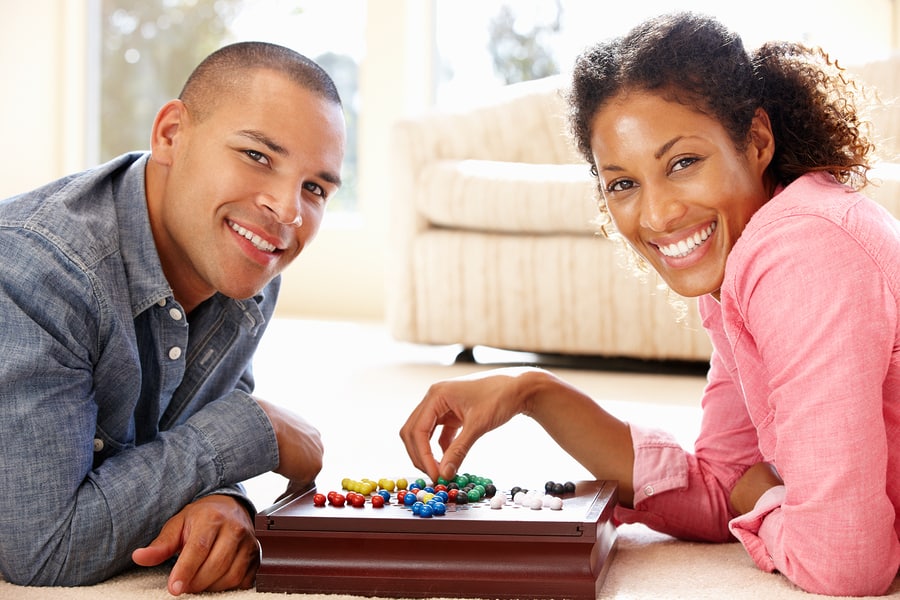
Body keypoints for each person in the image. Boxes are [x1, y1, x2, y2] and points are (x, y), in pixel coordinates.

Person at [400, 12, 900, 597]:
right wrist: (532, 392)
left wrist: (763, 501)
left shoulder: (799, 252)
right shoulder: (752, 259)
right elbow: (720, 485)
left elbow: (845, 562)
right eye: (623, 184)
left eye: (683, 163)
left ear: (757, 140)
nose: (657, 215)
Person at [0, 42, 345, 595]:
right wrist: (256, 427)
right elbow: (42, 549)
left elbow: (186, 444)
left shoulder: (250, 269)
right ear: (170, 135)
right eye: (257, 155)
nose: (287, 211)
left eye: (315, 187)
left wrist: (224, 502)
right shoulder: (39, 272)